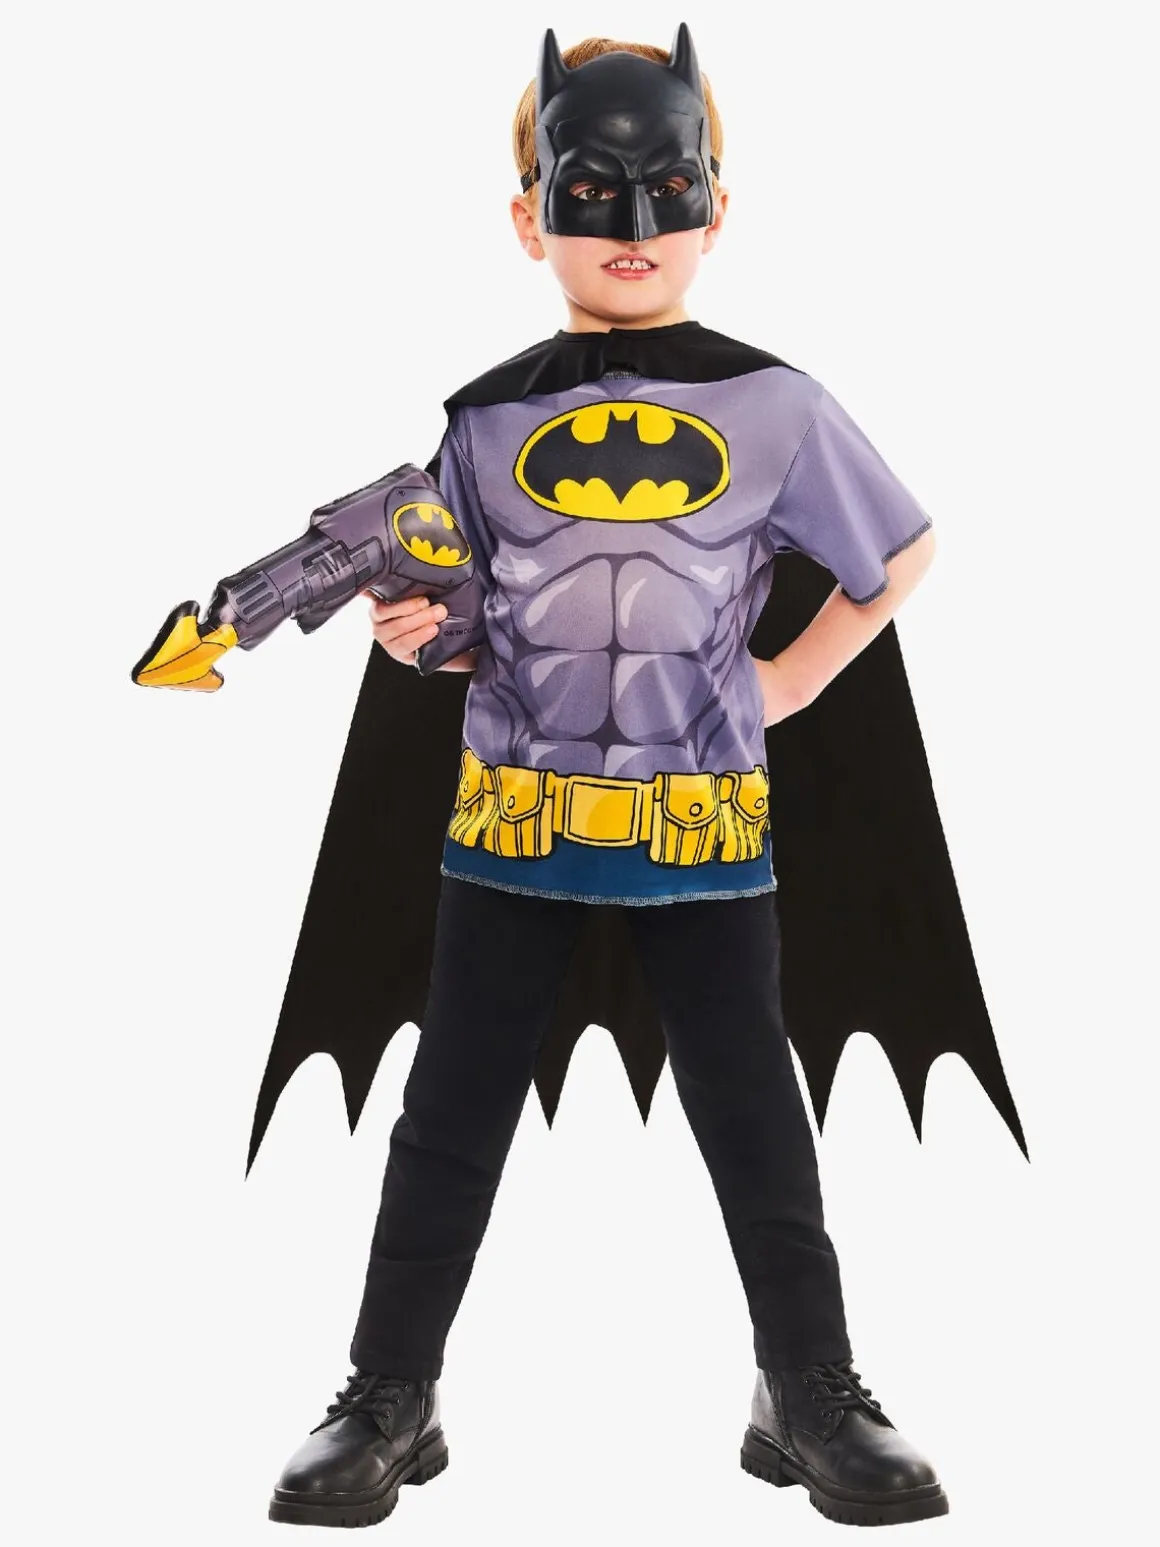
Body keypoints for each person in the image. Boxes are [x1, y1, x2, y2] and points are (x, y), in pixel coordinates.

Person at [267, 25, 953, 1530]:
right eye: (589, 191)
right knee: (450, 1115)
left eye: (667, 187)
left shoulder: (776, 406)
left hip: (699, 823)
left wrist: (789, 681)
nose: (632, 225)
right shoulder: (483, 416)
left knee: (753, 1109)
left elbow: (897, 554)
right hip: (511, 824)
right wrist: (416, 635)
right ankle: (391, 1388)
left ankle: (809, 1383)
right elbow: (468, 617)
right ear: (530, 218)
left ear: (718, 206)